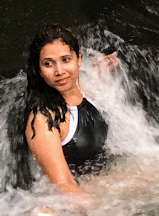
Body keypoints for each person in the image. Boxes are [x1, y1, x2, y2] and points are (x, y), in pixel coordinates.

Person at [23, 24, 117, 195]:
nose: (60, 71)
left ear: (79, 58)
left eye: (66, 60)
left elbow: (90, 73)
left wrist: (103, 67)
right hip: (83, 199)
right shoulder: (44, 120)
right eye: (48, 64)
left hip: (109, 183)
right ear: (39, 70)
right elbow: (64, 185)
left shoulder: (82, 88)